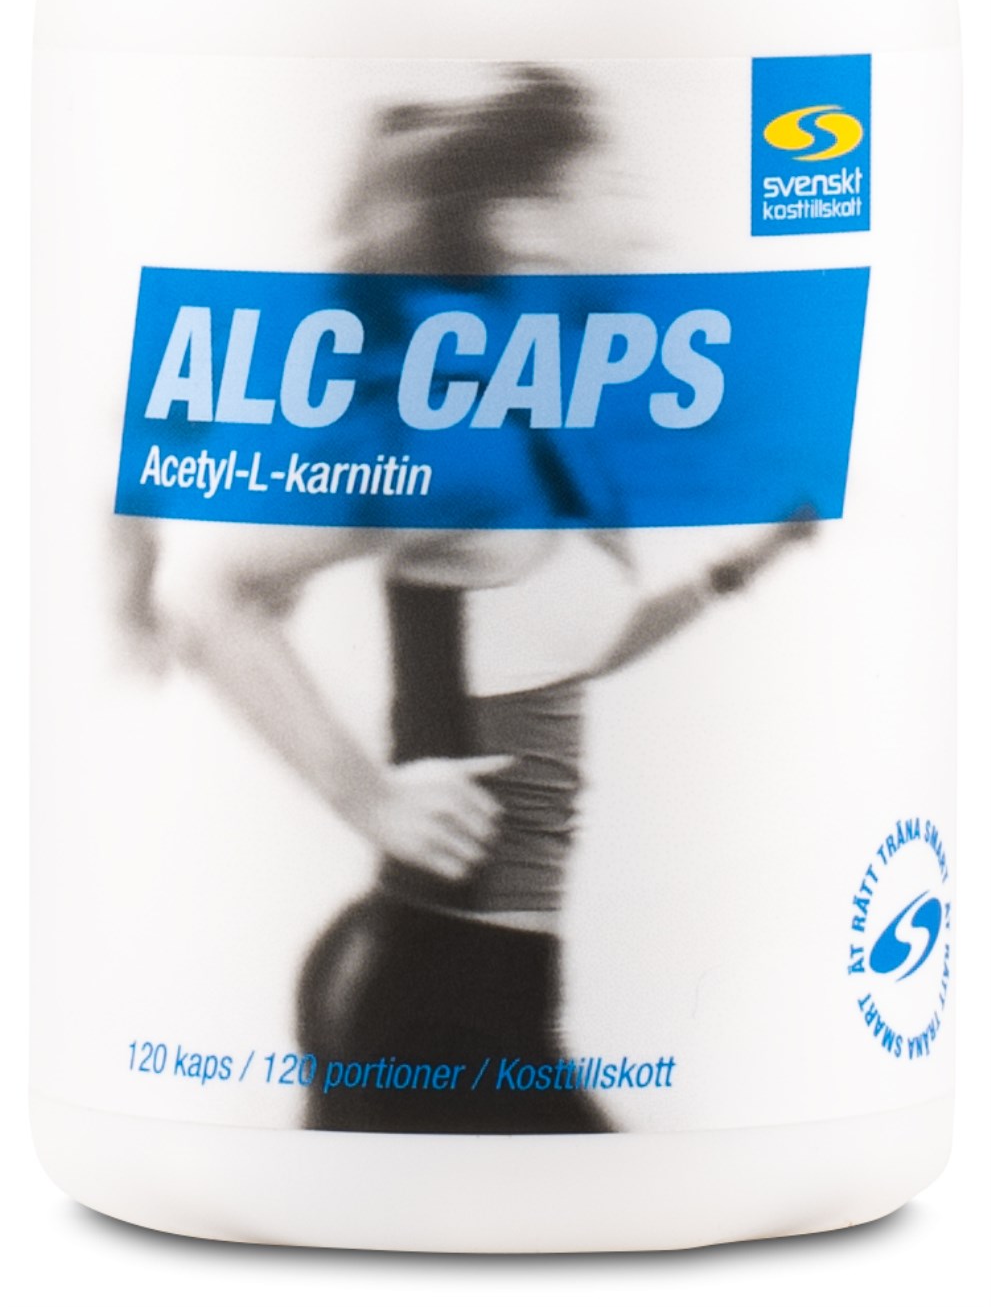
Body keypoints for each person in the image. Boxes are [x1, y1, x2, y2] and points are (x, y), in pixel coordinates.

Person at [150, 66, 815, 1133]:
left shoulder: (556, 443)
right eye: (615, 189)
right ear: (526, 224)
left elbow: (571, 651)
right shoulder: (468, 444)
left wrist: (742, 568)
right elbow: (211, 595)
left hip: (490, 987)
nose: (645, 229)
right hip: (431, 993)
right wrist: (366, 797)